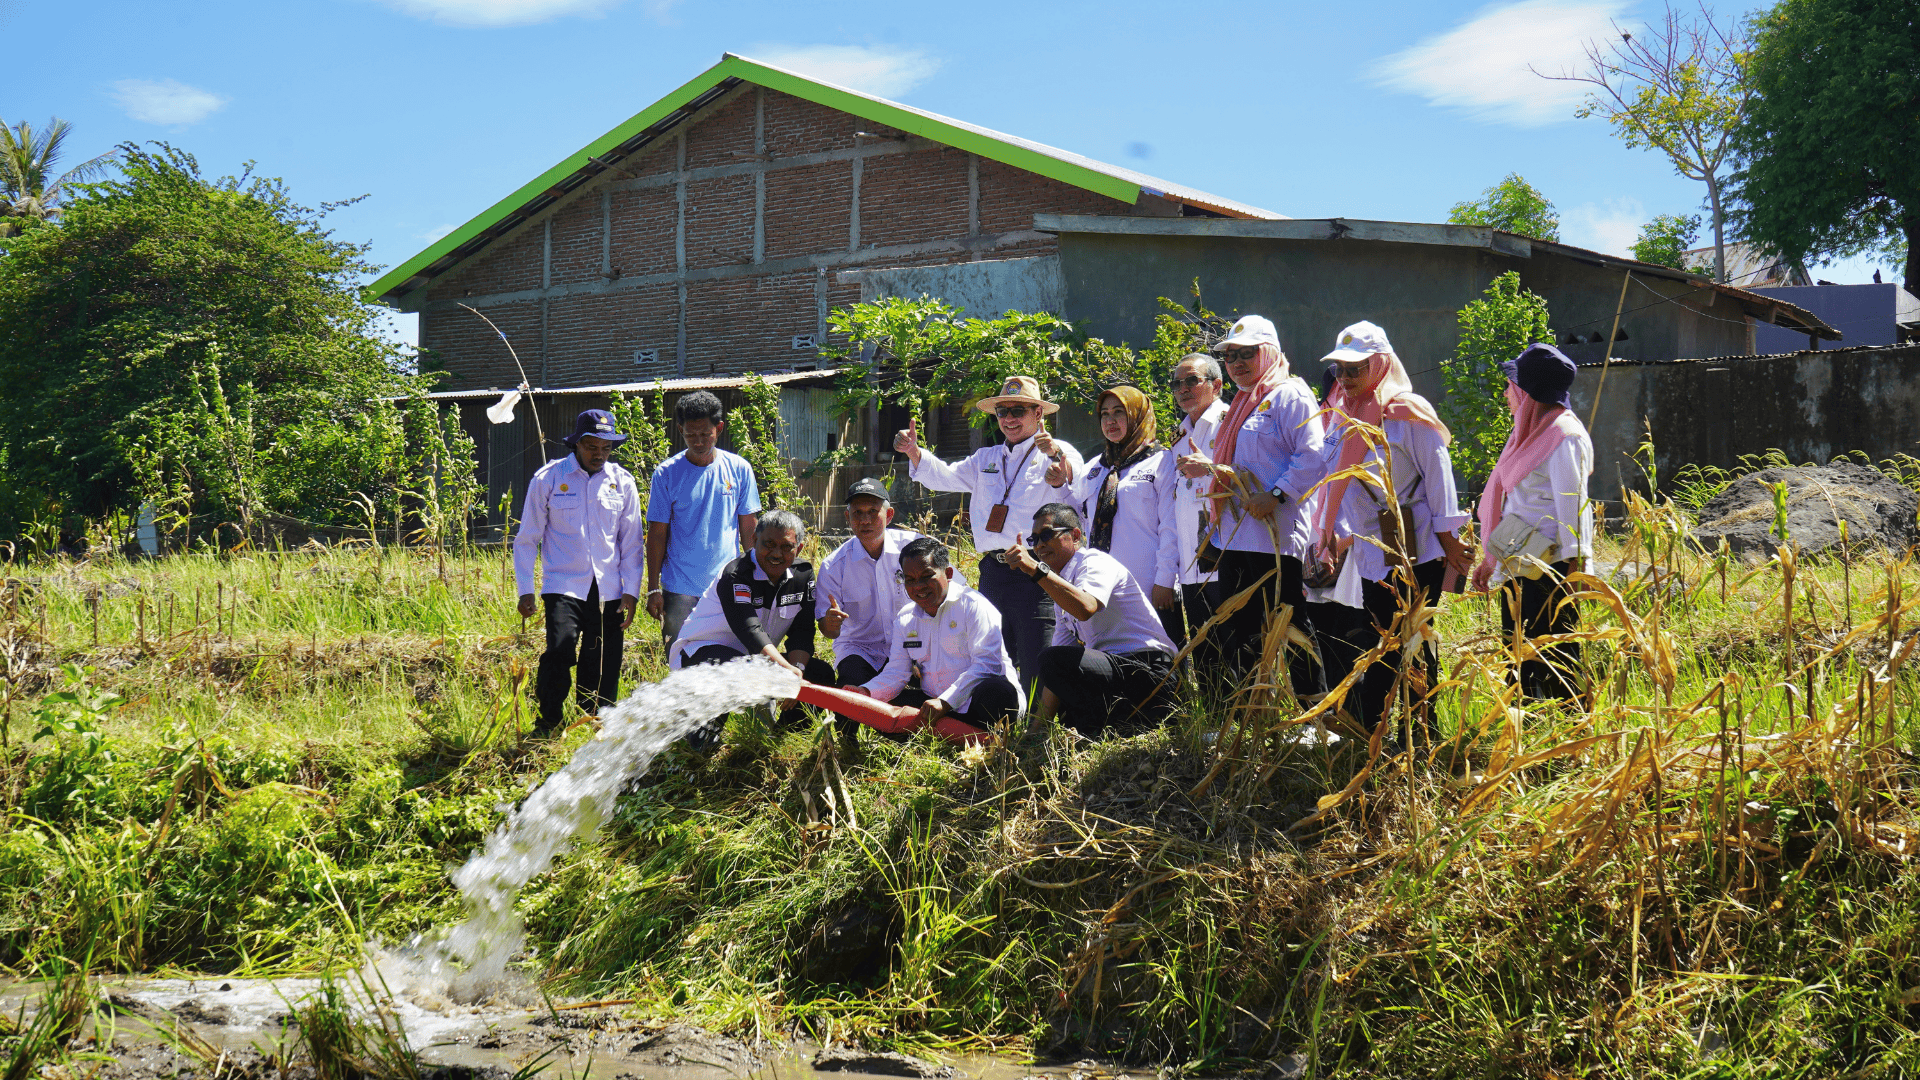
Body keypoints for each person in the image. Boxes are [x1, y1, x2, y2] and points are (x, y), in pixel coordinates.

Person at [1306, 321, 1473, 732]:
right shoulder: (1342, 417)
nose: (1344, 378)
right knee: (1379, 640)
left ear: (1379, 364)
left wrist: (1450, 539)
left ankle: (1420, 734)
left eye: (1355, 369)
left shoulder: (1407, 412)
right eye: (1339, 370)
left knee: (1416, 641)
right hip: (1370, 548)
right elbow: (1333, 481)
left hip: (1417, 544)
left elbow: (1438, 476)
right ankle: (1373, 731)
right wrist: (1329, 535)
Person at [895, 375, 1082, 690]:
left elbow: (1077, 495)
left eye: (1018, 410)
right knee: (994, 650)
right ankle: (1002, 720)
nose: (1009, 418)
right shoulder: (987, 458)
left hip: (1036, 568)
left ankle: (1039, 727)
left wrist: (1060, 469)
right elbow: (945, 477)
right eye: (1003, 411)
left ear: (1038, 414)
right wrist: (915, 452)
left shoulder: (1057, 452)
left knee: (1037, 650)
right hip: (993, 569)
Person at [1178, 315, 1326, 693]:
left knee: (1290, 624)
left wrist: (1276, 495)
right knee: (1239, 629)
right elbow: (1240, 468)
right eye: (1231, 356)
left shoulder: (1289, 394)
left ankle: (1314, 718)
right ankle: (1248, 716)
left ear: (1270, 352)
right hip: (1237, 534)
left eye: (1247, 353)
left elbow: (1312, 457)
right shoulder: (1245, 402)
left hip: (1274, 535)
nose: (1238, 362)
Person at [1471, 343, 1594, 703]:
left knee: (1555, 657)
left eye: (1512, 385)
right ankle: (1524, 731)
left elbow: (1574, 512)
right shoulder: (1527, 434)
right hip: (1519, 561)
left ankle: (1567, 739)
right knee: (1518, 654)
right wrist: (1491, 560)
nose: (1507, 393)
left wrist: (1574, 576)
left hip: (1551, 569)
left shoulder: (1563, 437)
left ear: (1527, 393)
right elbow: (1514, 504)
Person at [514, 409, 646, 735]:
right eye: (592, 447)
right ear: (577, 444)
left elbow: (631, 544)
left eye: (606, 448)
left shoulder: (622, 483)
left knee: (601, 659)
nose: (599, 454)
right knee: (560, 648)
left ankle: (594, 724)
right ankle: (548, 722)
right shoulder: (549, 479)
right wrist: (525, 589)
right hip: (564, 584)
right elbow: (527, 539)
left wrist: (632, 591)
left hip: (609, 588)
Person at [1005, 504, 1178, 737]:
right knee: (1057, 679)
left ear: (1075, 535)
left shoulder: (1094, 561)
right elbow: (1058, 658)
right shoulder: (1061, 587)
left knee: (1053, 661)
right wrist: (1035, 731)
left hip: (1150, 671)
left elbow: (1086, 607)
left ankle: (1132, 722)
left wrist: (1036, 570)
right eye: (1033, 539)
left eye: (1046, 535)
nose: (1039, 545)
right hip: (1117, 673)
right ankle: (1113, 728)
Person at [672, 510, 836, 742]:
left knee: (820, 674)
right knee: (738, 666)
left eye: (786, 547)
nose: (776, 554)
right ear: (753, 541)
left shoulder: (803, 576)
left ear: (798, 549)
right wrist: (785, 671)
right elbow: (749, 630)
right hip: (702, 657)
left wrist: (796, 669)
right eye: (769, 544)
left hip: (758, 661)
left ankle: (779, 742)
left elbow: (802, 633)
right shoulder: (736, 574)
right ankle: (700, 744)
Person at [850, 536, 1024, 733]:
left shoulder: (974, 606)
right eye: (910, 580)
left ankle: (980, 741)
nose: (918, 587)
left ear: (948, 573)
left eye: (926, 576)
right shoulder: (906, 618)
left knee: (998, 692)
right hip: (934, 706)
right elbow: (897, 672)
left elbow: (987, 664)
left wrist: (946, 701)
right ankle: (948, 733)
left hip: (974, 703)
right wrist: (865, 692)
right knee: (887, 708)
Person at [646, 390, 761, 652]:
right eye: (690, 435)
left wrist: (757, 576)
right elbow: (656, 534)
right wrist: (654, 588)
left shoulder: (739, 469)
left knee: (729, 656)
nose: (698, 442)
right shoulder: (666, 474)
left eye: (705, 434)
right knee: (680, 658)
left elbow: (748, 526)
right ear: (680, 430)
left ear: (718, 428)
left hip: (726, 583)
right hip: (680, 587)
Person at [816, 477, 923, 748]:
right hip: (861, 648)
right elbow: (828, 632)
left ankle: (908, 736)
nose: (864, 520)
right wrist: (830, 623)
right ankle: (847, 748)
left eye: (872, 512)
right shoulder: (833, 565)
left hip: (913, 644)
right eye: (857, 514)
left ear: (888, 515)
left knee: (932, 688)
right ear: (847, 517)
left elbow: (950, 591)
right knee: (851, 686)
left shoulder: (914, 549)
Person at [1069, 385, 1181, 638]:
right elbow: (1076, 516)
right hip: (1102, 584)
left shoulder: (1163, 461)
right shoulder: (1094, 468)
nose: (1110, 421)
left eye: (1119, 412)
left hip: (1149, 582)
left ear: (1137, 416)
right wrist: (1057, 484)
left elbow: (1170, 526)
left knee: (1161, 659)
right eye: (1105, 414)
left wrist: (1165, 579)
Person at [1162, 353, 1228, 656]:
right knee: (1205, 657)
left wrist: (1212, 468)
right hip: (1192, 564)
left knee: (1237, 652)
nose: (1183, 389)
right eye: (1177, 383)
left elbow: (1253, 480)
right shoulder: (1178, 435)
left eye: (1192, 380)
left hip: (1227, 559)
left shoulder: (1231, 423)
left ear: (1216, 385)